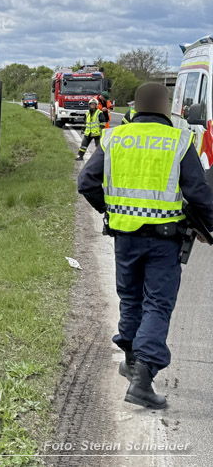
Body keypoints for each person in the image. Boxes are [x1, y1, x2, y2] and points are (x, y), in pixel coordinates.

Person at [77, 82, 213, 409]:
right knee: (157, 304)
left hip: (125, 237)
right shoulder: (180, 141)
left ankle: (130, 358)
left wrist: (111, 210)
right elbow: (198, 194)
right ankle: (143, 376)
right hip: (165, 240)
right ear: (166, 108)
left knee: (131, 298)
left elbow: (86, 183)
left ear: (135, 108)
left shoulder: (114, 137)